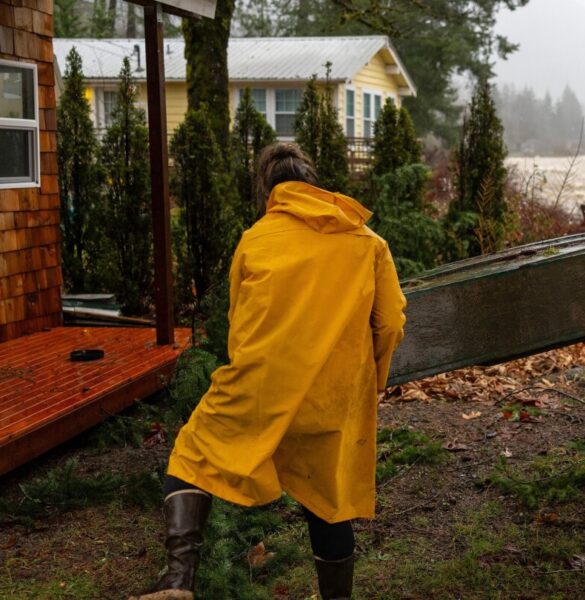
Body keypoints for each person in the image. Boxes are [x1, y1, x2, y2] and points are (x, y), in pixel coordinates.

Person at [131, 143, 407, 600]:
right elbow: (391, 322)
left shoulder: (255, 239)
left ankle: (178, 585)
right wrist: (369, 380)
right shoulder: (368, 243)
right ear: (315, 187)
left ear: (269, 192)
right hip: (330, 398)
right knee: (329, 500)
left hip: (259, 391)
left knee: (191, 456)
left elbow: (240, 328)